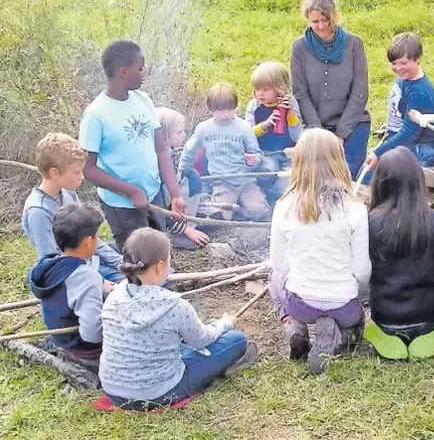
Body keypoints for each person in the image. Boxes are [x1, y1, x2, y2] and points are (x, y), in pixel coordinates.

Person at [99, 228, 258, 410]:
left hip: (114, 391)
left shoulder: (114, 295)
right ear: (159, 266)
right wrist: (225, 323)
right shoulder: (174, 305)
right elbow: (202, 340)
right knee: (236, 340)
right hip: (159, 393)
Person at [268, 129, 371, 375]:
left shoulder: (283, 206)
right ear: (339, 161)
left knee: (273, 276)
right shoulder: (355, 209)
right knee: (353, 312)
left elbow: (279, 263)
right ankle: (344, 333)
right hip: (345, 306)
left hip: (301, 305)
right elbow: (362, 270)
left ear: (298, 162)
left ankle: (294, 326)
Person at [79, 40, 186, 251]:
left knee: (159, 249)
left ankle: (157, 283)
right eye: (140, 69)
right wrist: (131, 191)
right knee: (137, 259)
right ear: (123, 72)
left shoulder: (143, 100)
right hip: (122, 206)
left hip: (153, 194)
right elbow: (88, 169)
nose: (143, 73)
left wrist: (175, 194)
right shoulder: (96, 115)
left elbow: (162, 149)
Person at [364, 147, 434, 360]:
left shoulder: (367, 224)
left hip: (386, 316)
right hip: (432, 315)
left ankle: (383, 336)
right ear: (419, 181)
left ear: (379, 183)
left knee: (379, 324)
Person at [22, 133, 123, 282]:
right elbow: (51, 263)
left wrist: (119, 262)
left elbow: (90, 236)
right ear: (54, 173)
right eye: (76, 172)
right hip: (70, 272)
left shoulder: (68, 193)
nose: (82, 176)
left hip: (88, 259)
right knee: (122, 284)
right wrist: (100, 283)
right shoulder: (39, 211)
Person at [290, 0, 370, 177]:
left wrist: (341, 134)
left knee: (349, 175)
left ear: (334, 16)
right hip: (316, 125)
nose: (321, 26)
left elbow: (360, 92)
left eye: (326, 20)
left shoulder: (354, 44)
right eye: (315, 22)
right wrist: (320, 135)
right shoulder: (299, 48)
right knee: (318, 177)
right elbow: (300, 93)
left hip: (352, 124)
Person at [28, 204, 114, 360]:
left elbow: (70, 288)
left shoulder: (48, 265)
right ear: (88, 242)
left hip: (60, 338)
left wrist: (101, 283)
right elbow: (92, 335)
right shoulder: (87, 278)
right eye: (97, 236)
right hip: (83, 350)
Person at [179, 83, 270, 222]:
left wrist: (254, 160)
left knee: (259, 212)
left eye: (230, 109)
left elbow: (257, 154)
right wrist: (182, 172)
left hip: (246, 181)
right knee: (220, 217)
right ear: (211, 109)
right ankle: (221, 206)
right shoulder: (204, 128)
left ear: (236, 107)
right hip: (222, 182)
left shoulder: (244, 127)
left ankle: (242, 208)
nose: (226, 114)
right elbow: (189, 150)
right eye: (221, 110)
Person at [363, 32, 434, 172]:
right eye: (394, 63)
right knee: (367, 172)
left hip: (422, 146)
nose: (398, 68)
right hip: (403, 139)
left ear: (418, 59)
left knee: (382, 173)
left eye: (404, 63)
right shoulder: (404, 78)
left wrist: (379, 152)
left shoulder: (420, 92)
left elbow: (410, 133)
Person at [244, 61, 304, 202]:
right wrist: (264, 126)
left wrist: (290, 114)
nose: (260, 94)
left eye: (265, 89)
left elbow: (298, 136)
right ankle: (264, 196)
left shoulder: (290, 103)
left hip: (287, 153)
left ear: (279, 88)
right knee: (267, 171)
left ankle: (282, 198)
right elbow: (247, 135)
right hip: (265, 154)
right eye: (257, 89)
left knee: (292, 179)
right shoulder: (254, 106)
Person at [154, 106, 210, 249]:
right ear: (164, 136)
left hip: (173, 202)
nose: (184, 134)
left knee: (192, 176)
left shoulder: (173, 153)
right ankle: (177, 232)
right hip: (158, 213)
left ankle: (188, 224)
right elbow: (158, 208)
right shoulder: (155, 167)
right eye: (179, 132)